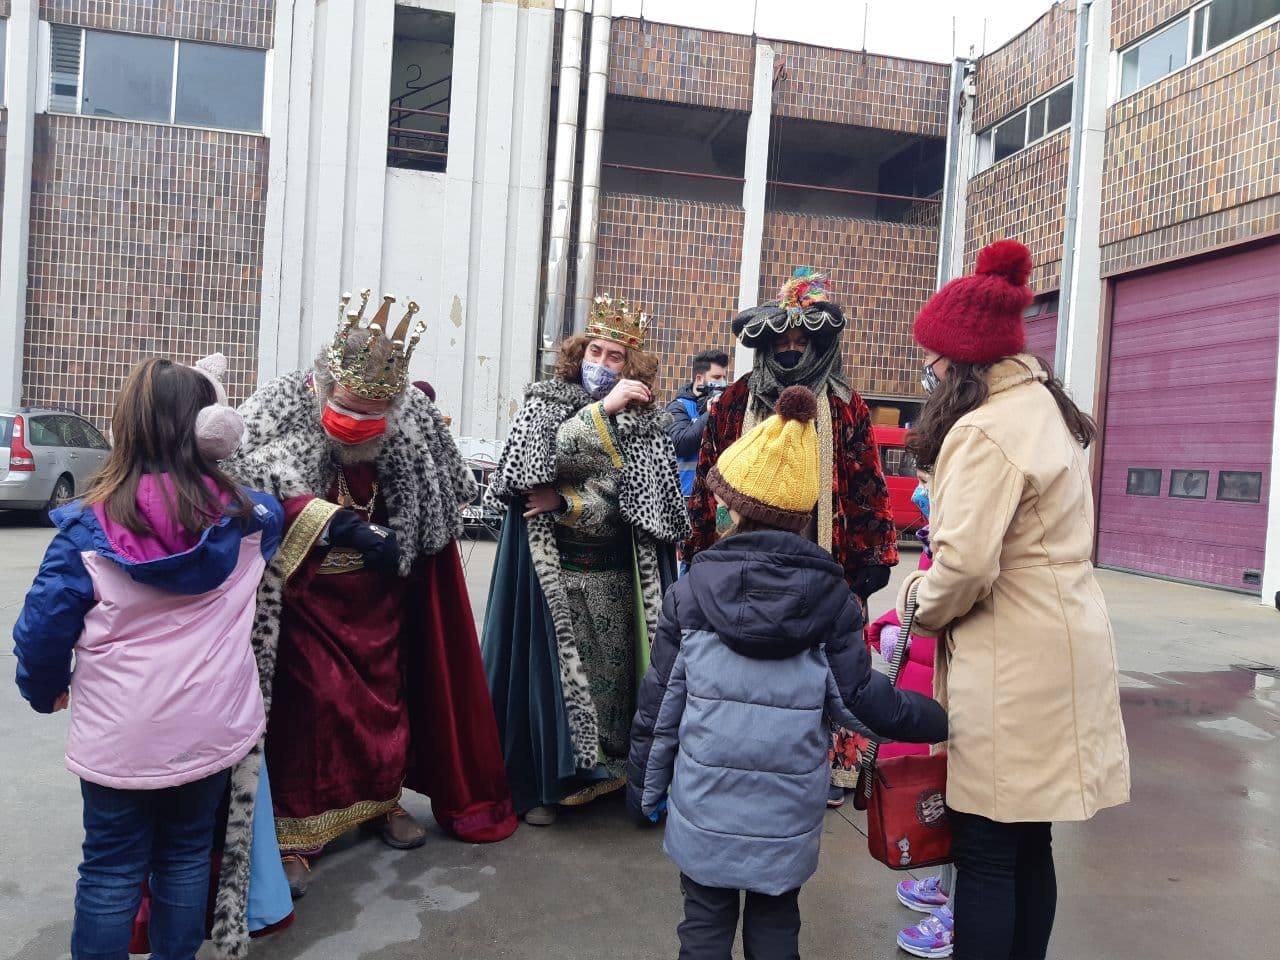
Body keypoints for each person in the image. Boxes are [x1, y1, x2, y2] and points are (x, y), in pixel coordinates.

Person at [217, 289, 516, 936]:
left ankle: (381, 803)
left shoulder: (412, 425)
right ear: (326, 385)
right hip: (307, 598)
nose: (362, 424)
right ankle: (296, 833)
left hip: (381, 601)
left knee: (387, 702)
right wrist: (332, 528)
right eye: (351, 410)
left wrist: (402, 545)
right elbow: (248, 484)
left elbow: (440, 495)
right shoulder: (278, 406)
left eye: (376, 414)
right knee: (311, 709)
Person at [628, 385, 947, 960]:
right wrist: (941, 720)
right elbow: (861, 703)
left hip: (704, 807)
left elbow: (662, 704)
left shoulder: (691, 591)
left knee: (702, 927)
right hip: (786, 818)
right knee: (777, 925)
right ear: (803, 518)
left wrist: (645, 790)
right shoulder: (831, 597)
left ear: (730, 509)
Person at [898, 239, 1131, 960]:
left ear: (958, 360)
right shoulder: (1043, 407)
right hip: (1063, 645)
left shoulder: (984, 430)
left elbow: (963, 568)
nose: (928, 371)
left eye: (932, 358)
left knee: (987, 850)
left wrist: (913, 602)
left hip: (1013, 664)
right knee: (1031, 841)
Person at [13, 357, 285, 960]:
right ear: (211, 429)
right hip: (213, 725)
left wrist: (44, 688)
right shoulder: (253, 519)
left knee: (111, 869)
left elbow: (41, 632)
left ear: (127, 428)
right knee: (186, 856)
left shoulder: (86, 531)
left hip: (122, 735)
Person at [686, 268, 900, 804]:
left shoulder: (846, 404)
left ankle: (827, 764)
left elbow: (866, 479)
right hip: (744, 553)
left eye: (802, 340)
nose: (790, 349)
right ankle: (743, 755)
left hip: (825, 553)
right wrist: (698, 547)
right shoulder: (735, 399)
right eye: (781, 341)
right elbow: (710, 473)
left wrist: (874, 553)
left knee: (828, 660)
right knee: (748, 659)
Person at [483, 294, 689, 826]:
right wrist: (601, 412)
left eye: (615, 356)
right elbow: (529, 470)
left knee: (615, 682)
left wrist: (570, 500)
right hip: (558, 573)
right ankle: (555, 782)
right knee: (556, 679)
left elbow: (636, 500)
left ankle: (614, 771)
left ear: (633, 366)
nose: (601, 363)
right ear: (579, 353)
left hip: (617, 573)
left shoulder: (648, 425)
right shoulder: (544, 403)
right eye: (595, 350)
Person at [667, 349, 730, 497]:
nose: (722, 383)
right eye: (716, 377)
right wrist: (710, 413)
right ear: (700, 379)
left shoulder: (724, 408)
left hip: (713, 496)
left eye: (724, 377)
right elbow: (682, 443)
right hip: (684, 496)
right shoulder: (678, 407)